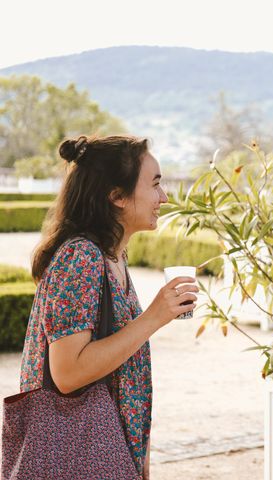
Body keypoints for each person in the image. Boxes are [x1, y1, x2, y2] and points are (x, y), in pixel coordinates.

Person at [20, 135, 198, 479]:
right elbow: (67, 374)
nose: (163, 197)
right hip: (79, 456)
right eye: (156, 184)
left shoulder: (112, 256)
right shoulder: (80, 257)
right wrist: (154, 317)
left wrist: (138, 455)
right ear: (116, 196)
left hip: (110, 451)